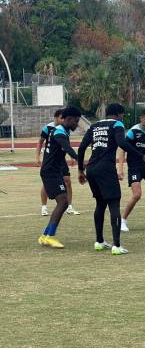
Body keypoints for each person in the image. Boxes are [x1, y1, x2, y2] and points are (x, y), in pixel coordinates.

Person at [77, 103, 145, 255]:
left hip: (91, 168)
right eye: (123, 115)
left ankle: (99, 241)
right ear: (118, 114)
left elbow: (81, 148)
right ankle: (116, 245)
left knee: (100, 203)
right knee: (114, 204)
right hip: (106, 168)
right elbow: (122, 143)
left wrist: (80, 169)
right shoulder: (117, 124)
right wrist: (142, 155)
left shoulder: (95, 126)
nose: (123, 118)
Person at [38, 106, 81, 248]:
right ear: (68, 119)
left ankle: (45, 235)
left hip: (54, 171)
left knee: (63, 202)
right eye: (76, 121)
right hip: (50, 171)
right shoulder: (59, 132)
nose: (77, 124)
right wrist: (81, 160)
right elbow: (68, 148)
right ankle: (50, 236)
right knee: (63, 202)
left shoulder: (64, 130)